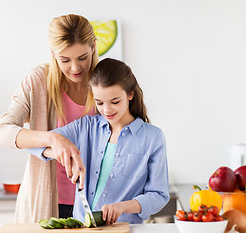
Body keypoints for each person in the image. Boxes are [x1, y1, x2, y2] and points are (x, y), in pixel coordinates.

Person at [29, 58, 170, 224]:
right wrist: (64, 155)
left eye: (115, 102)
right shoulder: (85, 127)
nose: (107, 110)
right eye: (99, 103)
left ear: (130, 94)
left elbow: (159, 195)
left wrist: (122, 207)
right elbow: (33, 144)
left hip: (124, 228)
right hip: (82, 227)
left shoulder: (152, 137)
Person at [0, 14, 99, 223]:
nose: (75, 68)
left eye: (82, 58)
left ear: (93, 47)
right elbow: (2, 132)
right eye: (65, 60)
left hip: (95, 203)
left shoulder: (105, 81)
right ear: (53, 53)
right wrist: (53, 139)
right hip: (46, 203)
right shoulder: (38, 81)